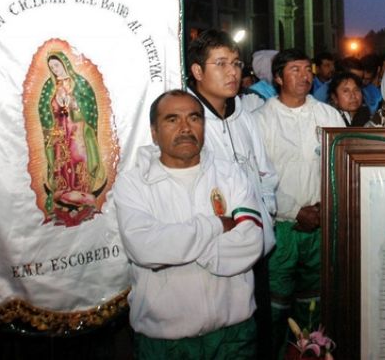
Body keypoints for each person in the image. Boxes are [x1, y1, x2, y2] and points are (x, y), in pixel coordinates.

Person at [114, 90, 264, 358]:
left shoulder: (230, 173)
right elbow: (144, 248)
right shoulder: (133, 183)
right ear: (154, 131)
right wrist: (216, 226)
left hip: (234, 336)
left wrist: (178, 248)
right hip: (165, 343)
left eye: (194, 118)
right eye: (172, 119)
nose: (185, 128)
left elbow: (252, 240)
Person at [186, 29, 278, 357]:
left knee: (257, 331)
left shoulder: (243, 114)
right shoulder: (186, 119)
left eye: (236, 63)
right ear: (197, 71)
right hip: (215, 250)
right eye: (220, 63)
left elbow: (265, 170)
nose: (232, 72)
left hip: (257, 245)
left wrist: (267, 213)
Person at [255, 49, 345, 355]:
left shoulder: (327, 114)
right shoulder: (261, 119)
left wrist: (324, 206)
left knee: (316, 302)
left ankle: (315, 353)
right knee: (278, 305)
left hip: (322, 223)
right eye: (295, 69)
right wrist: (295, 211)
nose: (305, 76)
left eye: (308, 69)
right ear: (278, 77)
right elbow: (257, 176)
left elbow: (341, 163)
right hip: (283, 227)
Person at [39, 51, 105, 225]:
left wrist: (73, 102)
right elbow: (45, 112)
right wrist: (55, 107)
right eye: (52, 67)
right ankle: (65, 200)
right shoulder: (50, 87)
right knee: (61, 163)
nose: (55, 69)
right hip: (60, 131)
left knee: (78, 160)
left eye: (57, 65)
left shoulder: (79, 83)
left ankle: (82, 200)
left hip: (77, 131)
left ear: (65, 64)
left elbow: (88, 106)